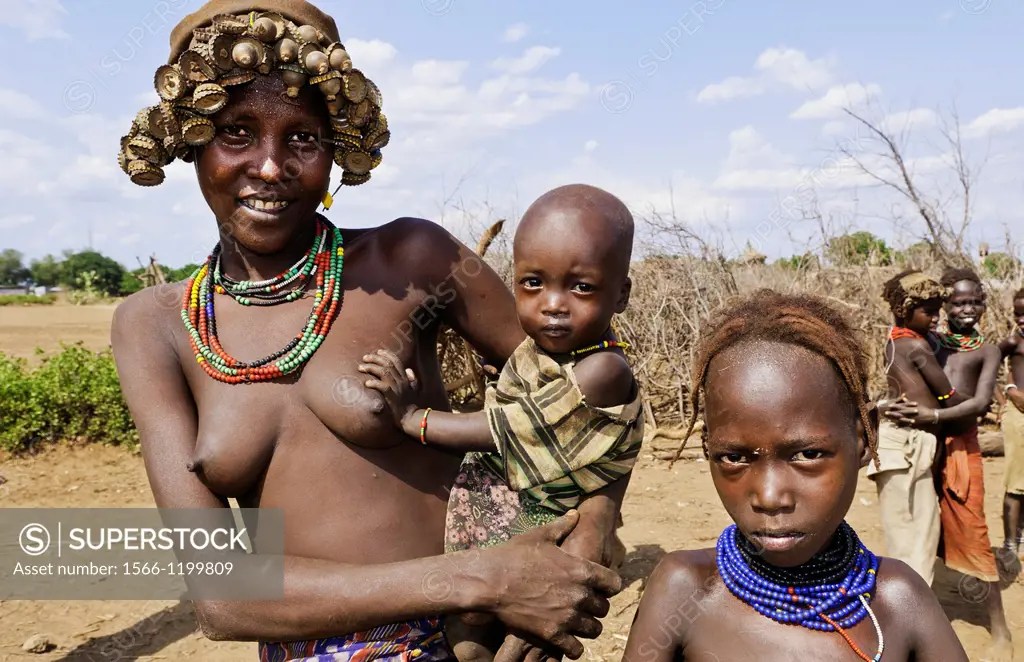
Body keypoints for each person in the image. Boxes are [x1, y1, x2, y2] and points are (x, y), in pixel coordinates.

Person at [109, 3, 621, 661]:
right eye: (237, 132)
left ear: (337, 148)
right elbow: (223, 595)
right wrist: (481, 576)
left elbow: (599, 383)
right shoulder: (155, 327)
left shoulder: (411, 260)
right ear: (190, 141)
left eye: (303, 138)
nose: (270, 167)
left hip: (479, 640)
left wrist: (593, 523)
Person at [360, 185, 641, 661]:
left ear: (621, 294)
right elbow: (226, 602)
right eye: (532, 284)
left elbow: (501, 430)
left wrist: (412, 419)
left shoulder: (603, 369)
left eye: (582, 287)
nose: (553, 303)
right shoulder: (552, 353)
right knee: (471, 641)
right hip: (483, 556)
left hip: (535, 537)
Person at [622, 291, 967, 661]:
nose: (770, 497)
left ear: (865, 439)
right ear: (708, 448)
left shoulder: (898, 599)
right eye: (735, 457)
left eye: (807, 454)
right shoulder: (686, 590)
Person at [931, 267, 1011, 660]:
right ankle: (927, 616)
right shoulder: (930, 344)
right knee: (929, 531)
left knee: (975, 533)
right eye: (959, 302)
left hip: (964, 445)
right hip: (926, 447)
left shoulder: (987, 350)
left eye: (974, 301)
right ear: (945, 304)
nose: (967, 309)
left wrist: (934, 418)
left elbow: (979, 404)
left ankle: (1000, 630)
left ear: (984, 303)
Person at [868, 270, 957, 585]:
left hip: (904, 442)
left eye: (938, 310)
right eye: (929, 311)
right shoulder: (916, 348)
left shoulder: (899, 340)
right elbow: (948, 395)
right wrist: (977, 401)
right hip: (908, 443)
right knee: (915, 533)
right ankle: (909, 612)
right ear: (905, 309)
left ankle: (907, 607)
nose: (936, 317)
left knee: (911, 529)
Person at [1003, 288, 1024, 555]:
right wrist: (1008, 391)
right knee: (1016, 481)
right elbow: (989, 364)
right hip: (1019, 415)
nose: (1021, 320)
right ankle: (1011, 542)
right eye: (1018, 314)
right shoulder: (1013, 341)